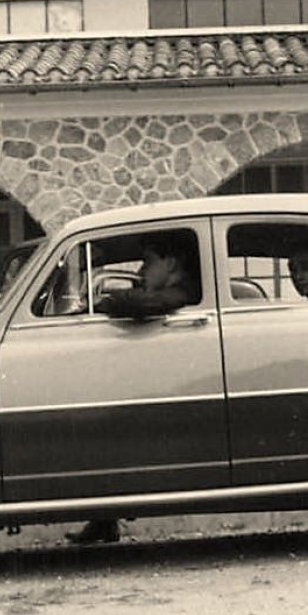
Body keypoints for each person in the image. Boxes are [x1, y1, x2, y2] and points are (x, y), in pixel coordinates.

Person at [67, 232, 201, 546]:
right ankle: (104, 519)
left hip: (177, 390)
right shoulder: (174, 288)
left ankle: (104, 520)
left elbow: (152, 303)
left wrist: (102, 301)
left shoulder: (184, 290)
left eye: (148, 262)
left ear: (170, 263)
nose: (142, 271)